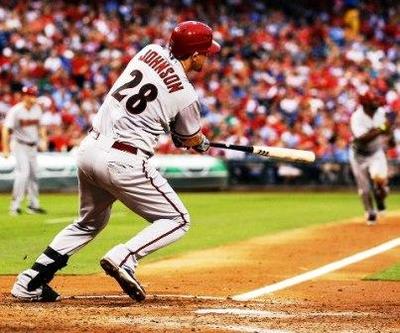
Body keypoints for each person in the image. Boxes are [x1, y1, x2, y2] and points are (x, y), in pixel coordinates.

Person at [11, 21, 220, 302]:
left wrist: (185, 136)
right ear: (194, 55)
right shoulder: (186, 95)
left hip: (89, 150)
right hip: (124, 160)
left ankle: (30, 281)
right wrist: (200, 142)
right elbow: (187, 138)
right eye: (205, 52)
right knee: (177, 219)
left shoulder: (149, 52)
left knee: (88, 223)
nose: (207, 57)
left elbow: (169, 120)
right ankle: (125, 257)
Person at [349, 89, 394, 225]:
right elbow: (361, 139)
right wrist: (381, 129)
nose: (377, 102)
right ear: (366, 103)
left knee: (380, 180)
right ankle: (370, 212)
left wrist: (390, 137)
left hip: (376, 153)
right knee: (365, 189)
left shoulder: (380, 113)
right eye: (373, 100)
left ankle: (380, 200)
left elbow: (387, 129)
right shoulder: (357, 117)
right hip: (358, 155)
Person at [2, 86, 48, 215]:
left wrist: (43, 139)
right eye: (30, 94)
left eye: (34, 94)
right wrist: (5, 148)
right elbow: (6, 130)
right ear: (24, 96)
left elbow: (40, 126)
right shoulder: (16, 111)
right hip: (19, 145)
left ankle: (33, 204)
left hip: (32, 146)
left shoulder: (37, 109)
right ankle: (14, 205)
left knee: (34, 174)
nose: (33, 97)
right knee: (23, 173)